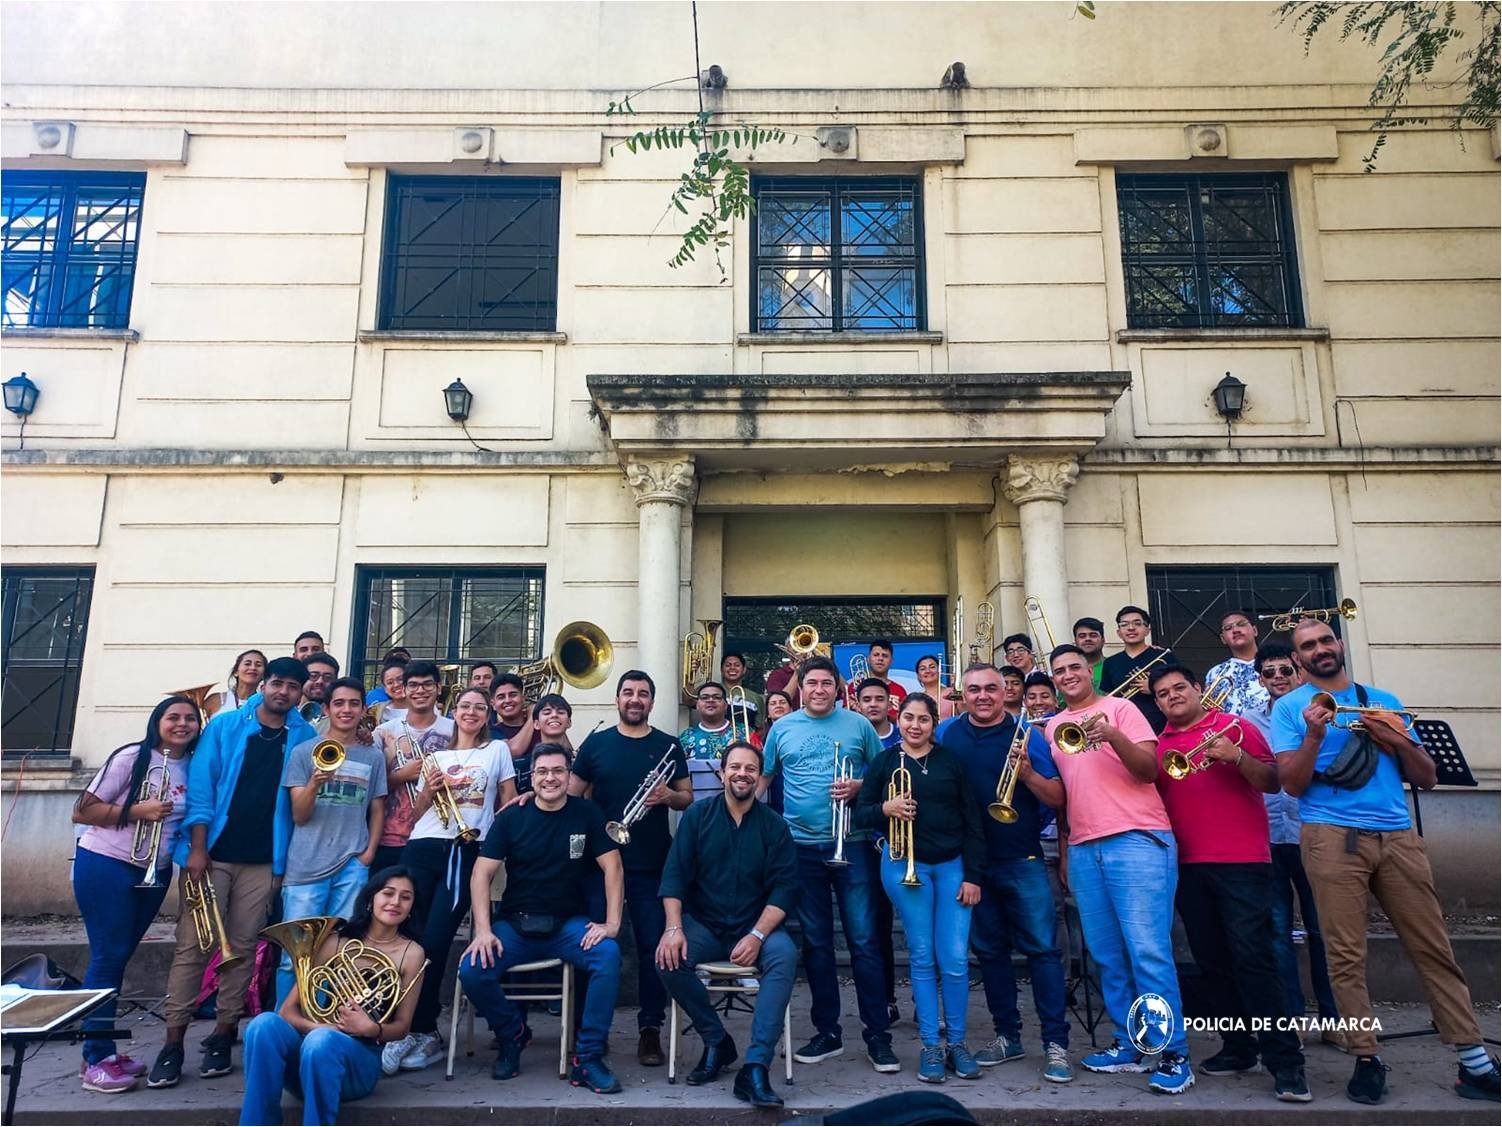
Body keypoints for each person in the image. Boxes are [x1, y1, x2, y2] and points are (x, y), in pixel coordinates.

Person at [1273, 618, 1500, 1105]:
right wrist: (1313, 736)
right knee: (1346, 955)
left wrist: (1394, 737)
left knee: (1433, 946)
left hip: (1397, 835)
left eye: (1326, 640)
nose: (1319, 650)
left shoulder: (1384, 699)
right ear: (1297, 660)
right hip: (1331, 837)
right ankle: (1366, 1056)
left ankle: (1473, 1059)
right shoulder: (1290, 708)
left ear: (1339, 645)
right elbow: (1290, 784)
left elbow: (1428, 777)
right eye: (1307, 646)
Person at [148, 658, 318, 1088]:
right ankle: (173, 1042)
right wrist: (199, 848)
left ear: (301, 693)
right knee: (193, 948)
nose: (283, 692)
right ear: (262, 684)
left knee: (241, 948)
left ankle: (223, 1034)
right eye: (276, 683)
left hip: (265, 862)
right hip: (213, 854)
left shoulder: (306, 736)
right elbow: (202, 789)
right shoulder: (224, 727)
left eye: (292, 687)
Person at [1149, 664, 1309, 1102]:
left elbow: (1275, 781)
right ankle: (1239, 1047)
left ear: (1198, 688)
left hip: (1243, 862)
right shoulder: (1160, 743)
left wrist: (1236, 757)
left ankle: (1286, 1062)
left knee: (1253, 960)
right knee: (1213, 962)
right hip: (1189, 864)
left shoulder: (1233, 727)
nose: (1172, 697)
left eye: (1179, 688)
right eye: (1163, 694)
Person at [1044, 644, 1192, 1094]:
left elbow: (1151, 771)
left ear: (1090, 671)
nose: (1068, 675)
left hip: (1138, 839)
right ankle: (1131, 1042)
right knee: (1107, 955)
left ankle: (1173, 1053)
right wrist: (1068, 851)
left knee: (1148, 951)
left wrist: (1112, 735)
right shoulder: (1052, 726)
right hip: (1086, 847)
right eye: (1059, 671)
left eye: (1075, 667)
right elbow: (1069, 797)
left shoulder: (1122, 708)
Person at [459, 744, 624, 1094]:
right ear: (531, 777)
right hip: (515, 926)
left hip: (567, 925)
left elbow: (613, 867)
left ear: (569, 775)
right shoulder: (511, 817)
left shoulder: (588, 814)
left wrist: (612, 924)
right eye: (543, 772)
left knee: (608, 956)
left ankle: (588, 1058)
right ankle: (511, 1035)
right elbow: (480, 876)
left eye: (558, 771)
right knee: (472, 969)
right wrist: (484, 931)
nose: (551, 778)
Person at [758, 657, 895, 1072]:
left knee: (865, 942)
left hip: (850, 844)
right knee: (816, 944)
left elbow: (883, 772)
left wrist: (860, 785)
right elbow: (762, 782)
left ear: (838, 688)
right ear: (799, 687)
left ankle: (877, 1035)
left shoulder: (858, 725)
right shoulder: (781, 729)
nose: (819, 689)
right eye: (811, 683)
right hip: (800, 848)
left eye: (826, 683)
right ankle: (828, 1032)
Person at [938, 664, 1072, 1084]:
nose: (982, 696)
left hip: (1022, 858)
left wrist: (1029, 773)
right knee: (991, 953)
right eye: (973, 689)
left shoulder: (1028, 735)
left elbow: (1058, 796)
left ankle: (1056, 1043)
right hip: (970, 865)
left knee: (1043, 953)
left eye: (991, 689)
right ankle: (1007, 1036)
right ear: (963, 694)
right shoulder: (947, 734)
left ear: (1005, 692)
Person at [657, 740, 799, 1108]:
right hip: (704, 924)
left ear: (759, 778)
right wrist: (673, 929)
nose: (742, 774)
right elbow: (674, 877)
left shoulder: (775, 826)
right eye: (735, 767)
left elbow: (784, 890)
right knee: (668, 960)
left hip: (756, 927)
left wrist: (757, 934)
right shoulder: (697, 817)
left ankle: (754, 1067)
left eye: (750, 769)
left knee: (784, 956)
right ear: (721, 773)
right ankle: (717, 1041)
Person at [381, 687, 515, 1074]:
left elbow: (507, 800)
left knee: (435, 941)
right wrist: (431, 790)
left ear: (487, 714)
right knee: (406, 938)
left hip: (466, 849)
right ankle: (400, 1027)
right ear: (453, 712)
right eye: (465, 706)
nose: (471, 712)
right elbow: (418, 809)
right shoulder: (435, 756)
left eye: (479, 707)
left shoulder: (497, 751)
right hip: (422, 846)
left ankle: (424, 1030)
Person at [854, 692, 986, 1084]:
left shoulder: (950, 762)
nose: (914, 726)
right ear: (901, 718)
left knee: (956, 959)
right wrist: (885, 810)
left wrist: (973, 875)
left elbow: (973, 820)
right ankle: (931, 1045)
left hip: (951, 867)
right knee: (923, 956)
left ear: (934, 723)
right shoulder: (884, 761)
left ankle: (957, 1044)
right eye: (908, 718)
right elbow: (860, 811)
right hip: (902, 864)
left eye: (923, 719)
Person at [72, 695, 200, 1092]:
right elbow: (83, 810)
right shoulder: (132, 757)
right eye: (173, 717)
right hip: (106, 864)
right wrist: (136, 811)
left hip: (154, 871)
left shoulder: (193, 765)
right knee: (108, 958)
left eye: (190, 719)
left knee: (119, 957)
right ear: (156, 722)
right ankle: (95, 1058)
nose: (182, 724)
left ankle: (104, 1051)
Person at [239, 867, 428, 1127]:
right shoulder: (335, 943)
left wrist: (370, 1028)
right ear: (371, 899)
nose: (395, 902)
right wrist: (327, 1027)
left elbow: (402, 1028)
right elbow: (287, 1012)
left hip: (359, 1064)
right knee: (262, 1025)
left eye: (406, 897)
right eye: (388, 893)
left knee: (322, 1042)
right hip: (311, 1056)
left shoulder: (412, 953)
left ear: (411, 907)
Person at [571, 670, 690, 1067]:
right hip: (599, 867)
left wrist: (670, 795)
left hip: (652, 864)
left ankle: (650, 1031)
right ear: (617, 699)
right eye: (628, 693)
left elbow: (687, 798)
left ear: (651, 702)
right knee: (596, 948)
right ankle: (590, 1033)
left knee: (652, 950)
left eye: (642, 694)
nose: (635, 699)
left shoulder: (669, 746)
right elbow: (572, 797)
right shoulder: (595, 745)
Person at [1242, 641, 1339, 1034]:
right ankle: (1291, 1019)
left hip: (1313, 832)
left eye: (1285, 670)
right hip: (1267, 836)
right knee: (1277, 931)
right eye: (1270, 672)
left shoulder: (1323, 711)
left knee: (1324, 930)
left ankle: (1335, 1019)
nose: (1278, 677)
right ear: (1260, 679)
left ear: (1299, 670)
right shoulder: (1248, 720)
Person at [277, 678, 387, 1001]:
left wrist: (368, 854)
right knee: (293, 958)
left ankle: (324, 1027)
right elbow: (299, 815)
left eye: (354, 703)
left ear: (363, 709)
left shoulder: (373, 757)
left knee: (341, 953)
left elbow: (377, 808)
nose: (346, 709)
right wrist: (314, 783)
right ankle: (287, 1029)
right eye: (339, 703)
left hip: (352, 866)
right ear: (326, 709)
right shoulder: (302, 753)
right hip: (306, 868)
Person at [369, 662, 454, 873]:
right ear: (404, 690)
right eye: (413, 685)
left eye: (427, 685)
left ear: (438, 688)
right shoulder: (382, 732)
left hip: (440, 833)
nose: (420, 691)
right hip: (391, 837)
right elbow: (369, 787)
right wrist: (401, 775)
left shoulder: (455, 730)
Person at [853, 676, 901, 1025]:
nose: (872, 704)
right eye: (866, 699)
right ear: (856, 704)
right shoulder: (852, 735)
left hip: (909, 841)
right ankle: (886, 997)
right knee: (877, 925)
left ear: (890, 704)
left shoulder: (904, 736)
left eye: (879, 699)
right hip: (869, 841)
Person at [1099, 606, 1175, 734]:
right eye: (1124, 624)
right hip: (1124, 726)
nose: (1131, 628)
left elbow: (1182, 688)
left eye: (1137, 623)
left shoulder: (1164, 656)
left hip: (1161, 724)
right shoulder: (1110, 663)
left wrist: (1154, 687)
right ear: (1118, 632)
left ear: (1148, 630)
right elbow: (1108, 697)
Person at [1204, 609, 1269, 719]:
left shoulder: (1275, 663)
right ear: (1223, 639)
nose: (1235, 630)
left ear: (1255, 630)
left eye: (1241, 624)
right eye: (1228, 628)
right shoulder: (1215, 673)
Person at [678, 681, 737, 803]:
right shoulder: (685, 737)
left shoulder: (744, 732)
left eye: (717, 697)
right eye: (705, 697)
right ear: (697, 705)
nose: (710, 700)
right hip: (696, 809)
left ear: (726, 705)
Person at [206, 649, 266, 720]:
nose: (253, 668)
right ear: (236, 672)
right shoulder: (215, 699)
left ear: (263, 675)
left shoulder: (265, 704)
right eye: (247, 664)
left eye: (258, 665)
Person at [857, 640, 904, 718]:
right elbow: (846, 713)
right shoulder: (855, 686)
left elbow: (903, 719)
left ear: (891, 661)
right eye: (876, 655)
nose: (880, 659)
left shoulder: (900, 690)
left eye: (885, 656)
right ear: (868, 659)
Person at [720, 651, 763, 732]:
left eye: (737, 665)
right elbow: (689, 701)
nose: (732, 668)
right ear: (721, 669)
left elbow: (760, 729)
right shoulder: (711, 692)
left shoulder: (755, 698)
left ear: (744, 670)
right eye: (728, 665)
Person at [488, 673, 534, 746]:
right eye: (501, 697)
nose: (507, 700)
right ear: (493, 704)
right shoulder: (490, 733)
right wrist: (532, 716)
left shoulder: (540, 724)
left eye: (513, 695)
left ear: (523, 698)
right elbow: (512, 750)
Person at [298, 652, 339, 731]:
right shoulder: (286, 713)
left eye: (327, 677)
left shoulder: (342, 719)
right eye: (313, 676)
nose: (320, 681)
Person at [914, 654, 958, 721]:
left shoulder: (953, 693)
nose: (928, 671)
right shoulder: (916, 699)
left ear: (940, 670)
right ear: (918, 675)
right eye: (923, 669)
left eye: (932, 667)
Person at [366, 658, 410, 726]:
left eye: (400, 679)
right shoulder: (376, 712)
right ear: (385, 688)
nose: (396, 684)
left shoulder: (427, 707)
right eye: (390, 682)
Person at [1072, 617, 1107, 688]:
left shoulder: (1114, 666)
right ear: (1075, 642)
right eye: (1082, 636)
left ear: (1103, 640)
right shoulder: (1068, 671)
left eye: (1093, 635)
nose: (1087, 639)